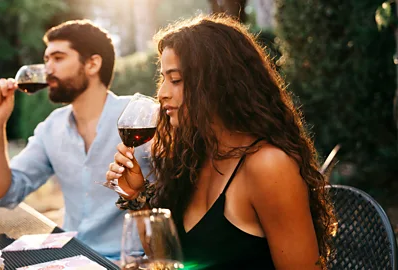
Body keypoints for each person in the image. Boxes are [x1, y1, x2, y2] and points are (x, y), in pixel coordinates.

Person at [106, 14, 335, 269]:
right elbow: (169, 259)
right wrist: (136, 196)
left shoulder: (268, 165)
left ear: (217, 83)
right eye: (164, 79)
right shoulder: (192, 157)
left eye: (176, 80)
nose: (161, 93)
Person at [0, 20, 151, 260]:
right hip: (73, 258)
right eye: (47, 59)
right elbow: (1, 194)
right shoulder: (52, 127)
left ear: (92, 64)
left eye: (58, 58)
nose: (47, 68)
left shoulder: (138, 120)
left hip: (133, 262)